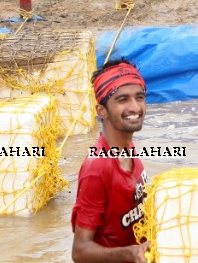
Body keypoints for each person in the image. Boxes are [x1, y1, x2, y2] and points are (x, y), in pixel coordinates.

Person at [70, 59, 150, 263]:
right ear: (102, 111)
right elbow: (79, 251)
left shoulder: (128, 148)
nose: (135, 107)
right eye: (123, 99)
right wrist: (130, 253)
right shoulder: (97, 168)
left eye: (139, 97)